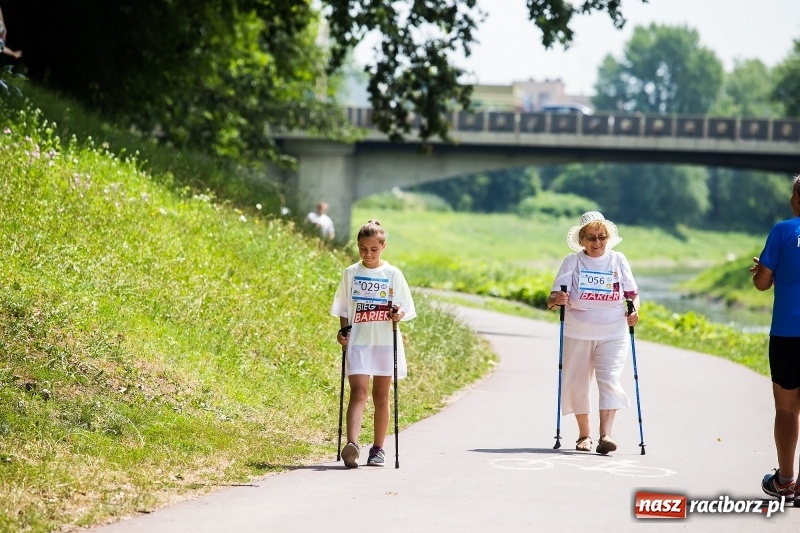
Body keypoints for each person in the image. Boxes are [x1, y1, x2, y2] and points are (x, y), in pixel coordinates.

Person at [546, 211, 640, 454]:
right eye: (591, 238)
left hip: (614, 331)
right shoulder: (572, 261)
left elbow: (632, 295)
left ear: (608, 238)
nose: (597, 243)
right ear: (582, 240)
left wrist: (634, 312)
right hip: (577, 331)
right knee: (578, 384)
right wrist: (559, 298)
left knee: (609, 380)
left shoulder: (618, 260)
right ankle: (584, 436)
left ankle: (606, 436)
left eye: (601, 237)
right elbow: (551, 300)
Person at [331, 219, 416, 468]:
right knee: (358, 393)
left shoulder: (392, 274)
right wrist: (343, 331)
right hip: (358, 341)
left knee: (381, 395)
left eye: (373, 249)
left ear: (383, 246)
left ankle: (378, 449)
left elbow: (404, 308)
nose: (367, 254)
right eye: (362, 249)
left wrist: (397, 314)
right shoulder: (351, 273)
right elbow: (343, 307)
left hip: (384, 342)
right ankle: (353, 446)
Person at [751, 174, 800, 502]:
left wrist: (761, 271)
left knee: (787, 410)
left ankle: (784, 480)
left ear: (796, 199)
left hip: (787, 334)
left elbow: (763, 284)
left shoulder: (784, 230)